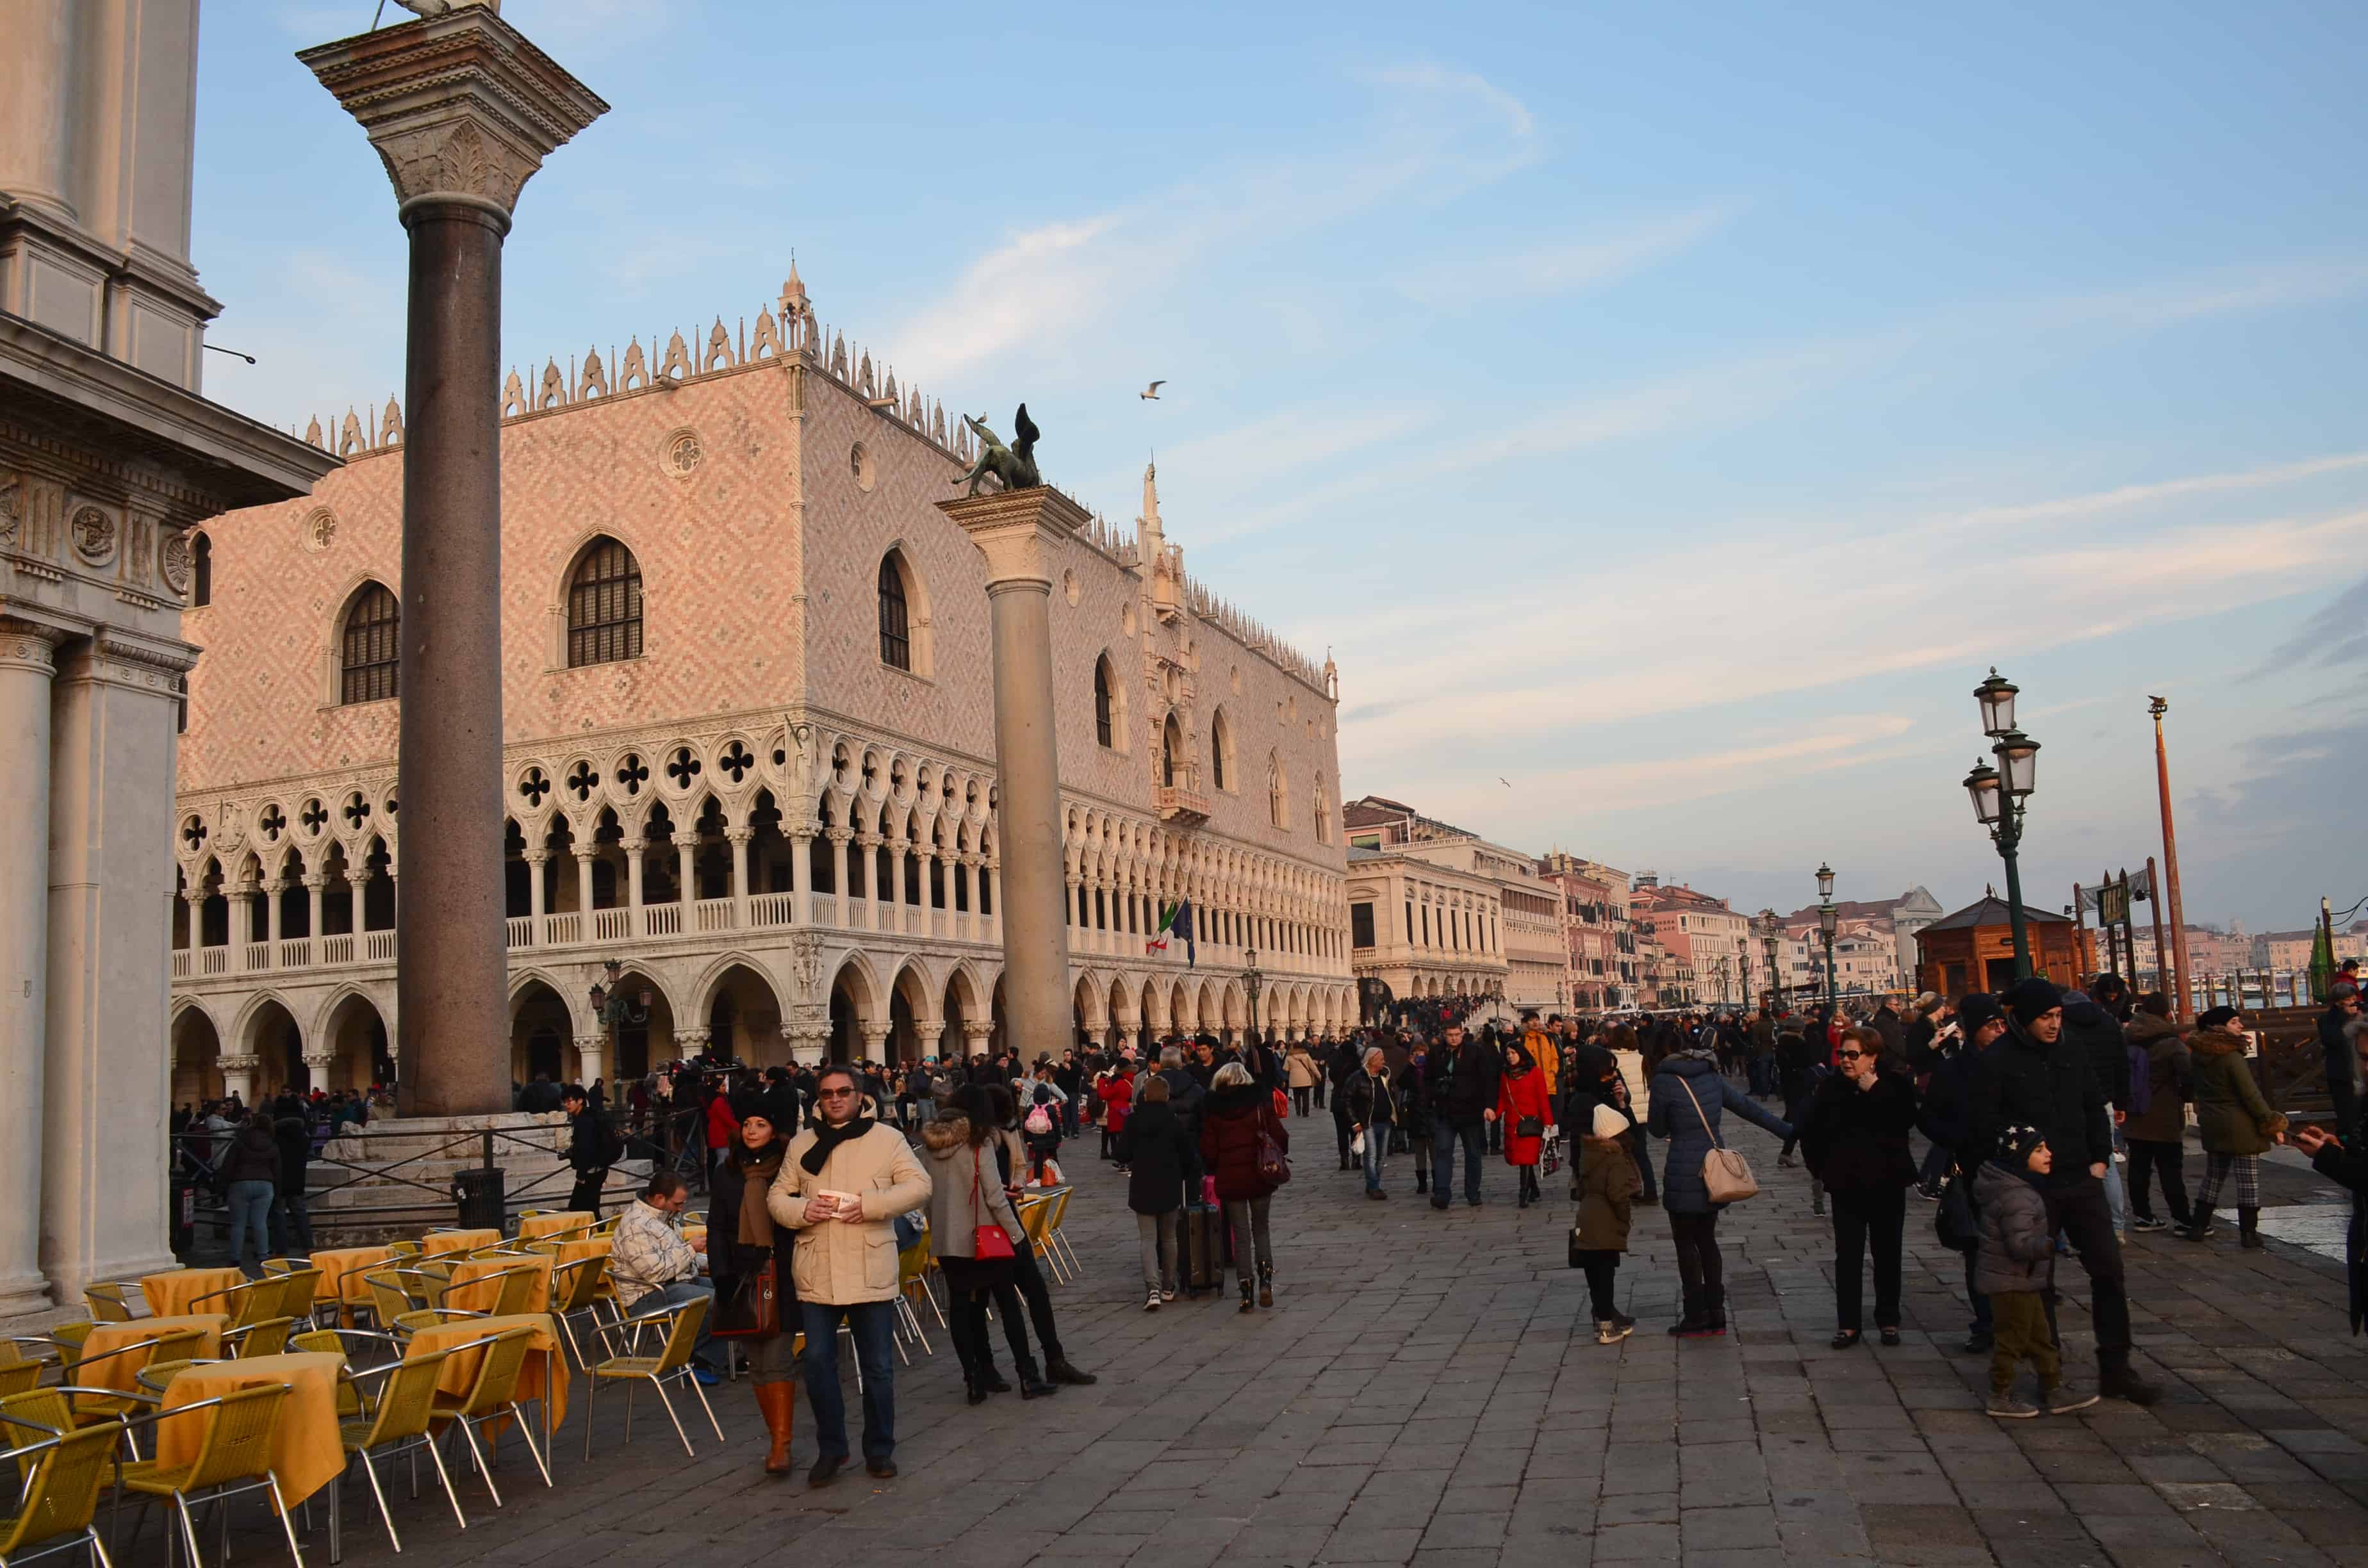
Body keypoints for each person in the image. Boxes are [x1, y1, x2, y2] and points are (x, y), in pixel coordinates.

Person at [1969, 976, 2158, 1405]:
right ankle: (2048, 1374)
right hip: (2033, 1188)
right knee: (2039, 1282)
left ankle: (2116, 1367)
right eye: (2045, 1018)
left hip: (2080, 1178)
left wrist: (2098, 1158)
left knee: (2108, 1270)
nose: (2054, 1025)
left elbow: (2094, 1103)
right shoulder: (1996, 1061)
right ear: (2023, 1019)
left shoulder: (2072, 1048)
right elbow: (1984, 1127)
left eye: (2057, 1016)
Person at [766, 1062, 932, 1485]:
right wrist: (804, 1210)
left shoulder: (887, 1139)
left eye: (843, 1092)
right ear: (818, 1098)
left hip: (868, 1265)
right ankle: (832, 1449)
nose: (836, 1099)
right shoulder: (802, 1144)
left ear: (859, 1096)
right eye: (827, 1093)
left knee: (877, 1367)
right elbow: (776, 1197)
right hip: (818, 1270)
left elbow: (919, 1186)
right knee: (820, 1366)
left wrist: (871, 1204)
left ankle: (879, 1450)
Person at [1647, 1027, 1792, 1336]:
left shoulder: (1663, 1080)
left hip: (1683, 1169)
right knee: (1708, 1242)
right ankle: (1717, 1313)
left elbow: (1657, 1130)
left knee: (1686, 1245)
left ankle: (1695, 1315)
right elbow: (1748, 1108)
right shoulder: (1710, 1073)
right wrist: (1789, 1132)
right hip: (1713, 1168)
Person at [1799, 1027, 1918, 1349]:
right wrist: (1820, 1168)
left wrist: (1875, 1091)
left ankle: (1889, 1319)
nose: (1847, 1061)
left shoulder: (1894, 1084)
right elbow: (1811, 1131)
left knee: (1888, 1253)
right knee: (1848, 1256)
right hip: (1846, 1184)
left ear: (1873, 1057)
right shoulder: (1830, 1087)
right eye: (1843, 1054)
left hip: (1887, 1183)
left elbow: (1905, 1121)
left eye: (1854, 1055)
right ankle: (1848, 1323)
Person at [919, 1084, 1037, 1402]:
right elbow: (995, 1198)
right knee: (1008, 1303)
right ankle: (1028, 1375)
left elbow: (924, 1195)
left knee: (962, 1306)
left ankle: (972, 1379)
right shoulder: (978, 1141)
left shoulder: (928, 1146)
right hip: (983, 1235)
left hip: (947, 1240)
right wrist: (1017, 1235)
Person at [1976, 1125, 2097, 1418]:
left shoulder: (2019, 1188)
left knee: (2040, 1336)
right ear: (2020, 1157)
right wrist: (2050, 1246)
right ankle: (1999, 1393)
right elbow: (2020, 1245)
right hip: (2011, 1280)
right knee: (2013, 1338)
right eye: (2040, 1149)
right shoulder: (2017, 1196)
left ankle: (2054, 1388)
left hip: (2022, 1278)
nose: (2049, 1154)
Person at [708, 1098, 800, 1474]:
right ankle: (774, 1434)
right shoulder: (728, 1170)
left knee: (777, 1357)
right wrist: (721, 1272)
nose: (751, 1131)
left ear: (774, 1130)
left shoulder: (791, 1169)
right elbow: (716, 1224)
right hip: (741, 1275)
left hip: (781, 1272)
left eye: (760, 1124)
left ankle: (782, 1443)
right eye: (747, 1123)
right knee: (757, 1362)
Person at [2182, 1006, 2286, 1246]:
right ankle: (2249, 1233)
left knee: (2213, 1177)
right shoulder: (2231, 1056)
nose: (2240, 1026)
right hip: (2240, 1124)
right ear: (2220, 1028)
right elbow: (2251, 1095)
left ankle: (2198, 1226)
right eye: (2234, 1022)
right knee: (2247, 1180)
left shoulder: (2197, 1055)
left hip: (2212, 1121)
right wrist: (2270, 1122)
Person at [608, 1170, 718, 1380]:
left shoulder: (665, 1216)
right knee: (713, 1301)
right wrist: (690, 1250)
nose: (681, 1208)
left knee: (732, 1288)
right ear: (660, 1199)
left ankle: (715, 1356)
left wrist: (718, 1263)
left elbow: (676, 1258)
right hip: (647, 1295)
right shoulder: (635, 1225)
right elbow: (655, 1272)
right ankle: (689, 1358)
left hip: (676, 1281)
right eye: (677, 1204)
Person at [1200, 1062, 1288, 1311]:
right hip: (1260, 1175)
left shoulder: (1214, 1108)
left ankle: (1246, 1291)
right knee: (1261, 1228)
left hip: (1231, 1177)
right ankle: (1266, 1283)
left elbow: (1208, 1148)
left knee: (1240, 1235)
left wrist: (1217, 1164)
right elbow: (1280, 1135)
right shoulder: (1259, 1102)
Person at [1119, 1074, 1194, 1309]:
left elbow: (1121, 1155)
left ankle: (1153, 1289)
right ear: (1167, 1096)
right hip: (1170, 1185)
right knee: (1170, 1237)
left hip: (1143, 1186)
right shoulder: (1174, 1122)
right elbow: (1189, 1157)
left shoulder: (1133, 1121)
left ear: (1145, 1095)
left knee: (1148, 1239)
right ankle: (1169, 1286)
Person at [2121, 992, 2194, 1233]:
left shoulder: (2127, 1037)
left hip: (2134, 1112)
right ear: (2166, 1013)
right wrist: (2186, 1096)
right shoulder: (2172, 1044)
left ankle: (2143, 1216)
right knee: (2170, 1169)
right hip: (2165, 1114)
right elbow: (2189, 1076)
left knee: (2138, 1168)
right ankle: (2182, 1219)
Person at [1574, 1103, 1644, 1344]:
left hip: (1586, 1219)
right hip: (1605, 1221)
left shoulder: (1589, 1154)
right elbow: (1618, 1195)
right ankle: (1605, 1327)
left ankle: (1605, 1315)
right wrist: (1625, 1218)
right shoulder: (1614, 1158)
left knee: (1594, 1274)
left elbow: (1579, 1189)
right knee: (1605, 1274)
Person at [1424, 1023, 1500, 1210]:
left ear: (1463, 1033)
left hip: (1470, 1111)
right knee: (1443, 1152)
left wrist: (1489, 1106)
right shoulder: (1436, 1053)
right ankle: (1442, 1193)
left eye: (1457, 1034)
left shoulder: (1475, 1052)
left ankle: (1473, 1192)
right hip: (1445, 1111)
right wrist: (1430, 1101)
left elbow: (1487, 1080)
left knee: (1473, 1153)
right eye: (1450, 1035)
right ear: (1444, 1035)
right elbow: (1427, 1081)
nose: (1454, 1038)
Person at [218, 1111, 279, 1277]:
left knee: (238, 1224)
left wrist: (222, 1185)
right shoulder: (272, 1144)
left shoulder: (240, 1142)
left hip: (240, 1183)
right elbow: (277, 1170)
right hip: (265, 1184)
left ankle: (235, 1258)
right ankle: (263, 1256)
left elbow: (228, 1165)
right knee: (260, 1222)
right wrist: (278, 1190)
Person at [1497, 1041, 1553, 1209]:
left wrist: (1548, 1121)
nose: (1510, 1056)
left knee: (1526, 1159)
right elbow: (1502, 1099)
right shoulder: (1506, 1075)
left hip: (1531, 1123)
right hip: (1513, 1124)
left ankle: (1523, 1193)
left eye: (1514, 1053)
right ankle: (1534, 1189)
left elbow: (1543, 1099)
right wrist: (1495, 1114)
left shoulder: (1535, 1073)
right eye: (1508, 1054)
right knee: (1524, 1160)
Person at [1344, 1047, 1397, 1200]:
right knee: (1371, 1155)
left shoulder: (1385, 1076)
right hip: (1368, 1122)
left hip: (1386, 1121)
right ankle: (1374, 1187)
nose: (1384, 1062)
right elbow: (1346, 1099)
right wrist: (1354, 1122)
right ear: (1372, 1060)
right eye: (1381, 1059)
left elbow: (1392, 1094)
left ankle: (1373, 1183)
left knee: (1382, 1156)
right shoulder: (1358, 1078)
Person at [561, 1084, 616, 1214]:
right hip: (597, 1169)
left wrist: (581, 1175)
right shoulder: (586, 1117)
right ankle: (599, 1233)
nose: (566, 1105)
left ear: (580, 1101)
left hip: (591, 1171)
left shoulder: (584, 1120)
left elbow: (586, 1148)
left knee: (578, 1207)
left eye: (569, 1101)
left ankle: (598, 1233)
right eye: (565, 1102)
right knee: (590, 1209)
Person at [270, 1099, 313, 1257]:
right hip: (297, 1177)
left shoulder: (275, 1135)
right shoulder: (301, 1134)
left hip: (279, 1178)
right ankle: (308, 1245)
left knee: (279, 1214)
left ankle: (281, 1249)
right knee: (300, 1212)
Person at [2321, 983, 2363, 1138]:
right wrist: (2347, 1018)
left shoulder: (2359, 1016)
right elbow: (2335, 1039)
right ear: (2339, 1002)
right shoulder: (2327, 1020)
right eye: (2350, 999)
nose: (2354, 1002)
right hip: (2341, 1074)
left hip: (2360, 1072)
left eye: (2355, 999)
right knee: (2346, 1114)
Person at [1285, 1041, 1321, 1116]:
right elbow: (1312, 1066)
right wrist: (1318, 1075)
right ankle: (1305, 1112)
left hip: (1294, 1079)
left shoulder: (1289, 1057)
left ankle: (1298, 1111)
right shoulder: (1306, 1055)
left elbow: (1286, 1068)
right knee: (1306, 1097)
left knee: (1296, 1096)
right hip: (1305, 1079)